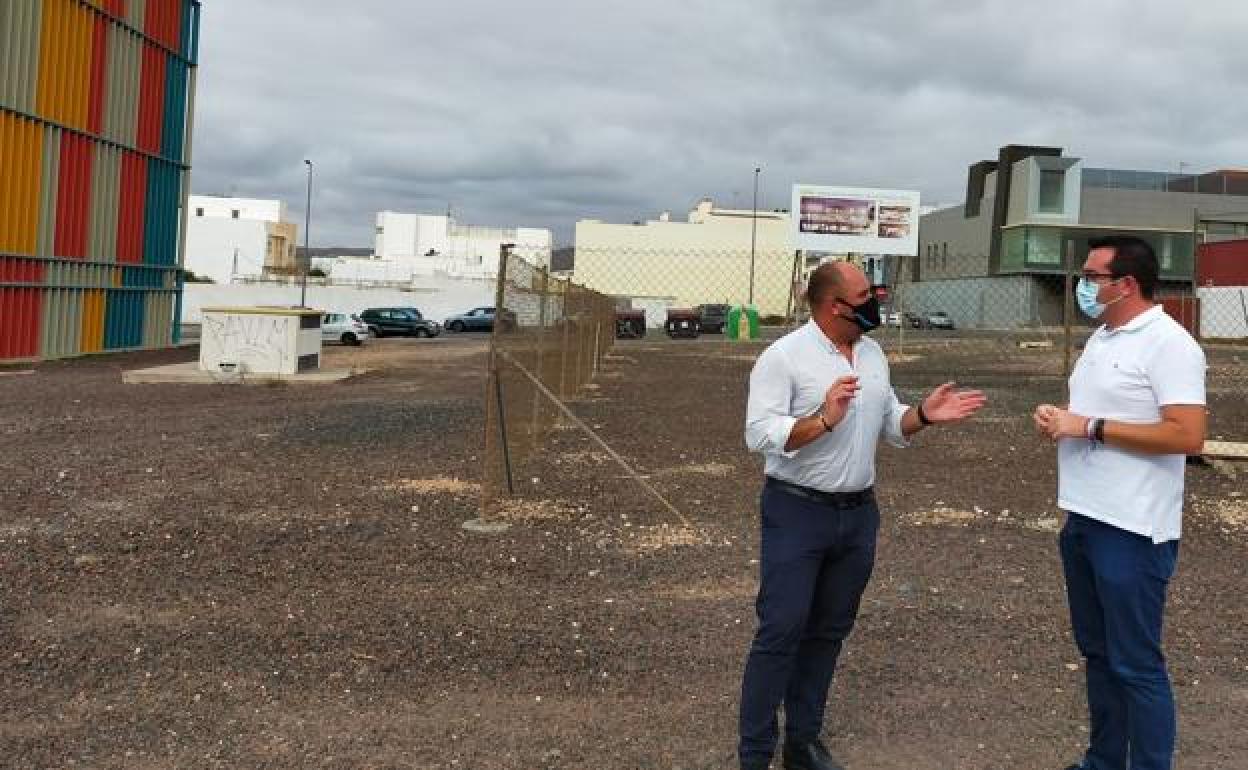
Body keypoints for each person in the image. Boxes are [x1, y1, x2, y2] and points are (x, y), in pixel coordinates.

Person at [739, 261, 986, 770]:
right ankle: (755, 754)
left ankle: (802, 744)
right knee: (781, 631)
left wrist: (921, 416)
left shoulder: (873, 353)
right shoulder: (783, 357)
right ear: (834, 305)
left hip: (857, 515)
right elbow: (759, 434)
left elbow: (888, 420)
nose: (875, 298)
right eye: (864, 293)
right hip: (797, 511)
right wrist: (824, 419)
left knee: (829, 631)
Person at [1033, 236, 1206, 770]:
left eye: (1093, 276)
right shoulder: (1103, 338)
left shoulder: (1169, 344)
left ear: (1126, 284)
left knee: (1135, 664)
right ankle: (1103, 760)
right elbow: (1099, 415)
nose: (1083, 285)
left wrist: (1088, 426)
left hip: (1132, 528)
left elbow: (1187, 435)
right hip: (1085, 517)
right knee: (1100, 656)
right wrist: (1063, 419)